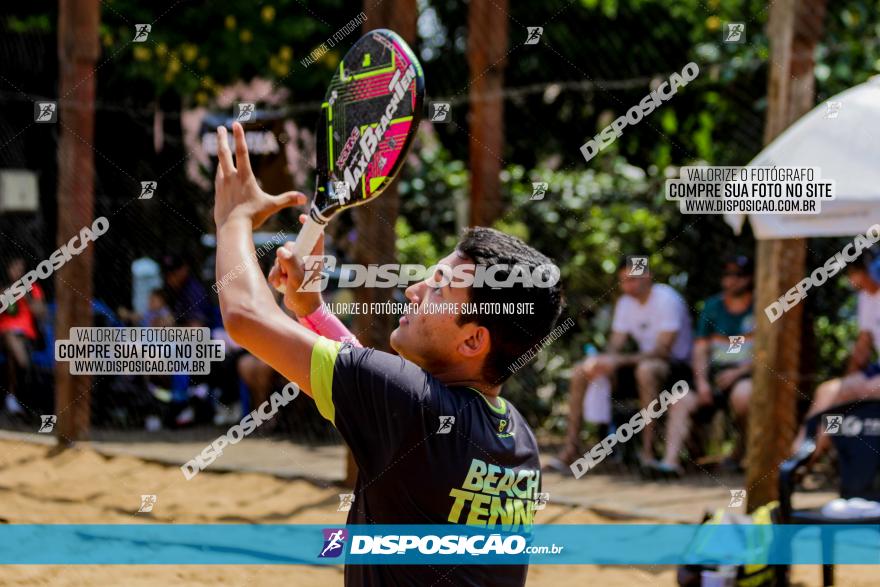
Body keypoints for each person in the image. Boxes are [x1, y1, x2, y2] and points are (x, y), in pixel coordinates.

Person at [213, 123, 562, 586]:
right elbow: (371, 384)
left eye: (438, 288)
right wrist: (312, 310)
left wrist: (235, 219)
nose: (414, 289)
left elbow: (243, 315)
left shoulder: (409, 407)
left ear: (473, 341)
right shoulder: (515, 438)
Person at [553, 258, 692, 471]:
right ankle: (571, 449)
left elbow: (662, 352)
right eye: (624, 281)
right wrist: (601, 362)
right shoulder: (625, 303)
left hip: (677, 369)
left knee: (647, 370)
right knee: (581, 371)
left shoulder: (667, 300)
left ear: (648, 276)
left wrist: (617, 360)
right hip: (640, 365)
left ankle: (647, 453)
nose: (628, 286)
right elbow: (615, 346)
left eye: (633, 280)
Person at [661, 255, 755, 473]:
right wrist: (702, 382)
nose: (731, 280)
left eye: (738, 275)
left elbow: (768, 354)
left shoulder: (762, 306)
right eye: (727, 274)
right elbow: (700, 349)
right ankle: (670, 462)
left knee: (744, 396)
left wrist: (739, 372)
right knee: (680, 399)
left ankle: (742, 453)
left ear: (749, 278)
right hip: (713, 375)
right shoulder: (712, 306)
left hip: (747, 375)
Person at [794, 251, 880, 453]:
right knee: (829, 392)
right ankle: (802, 456)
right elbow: (863, 347)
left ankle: (812, 455)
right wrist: (848, 380)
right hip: (876, 372)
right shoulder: (866, 298)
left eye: (852, 273)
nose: (850, 280)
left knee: (846, 398)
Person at [0, 257, 47, 415]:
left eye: (21, 268)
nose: (17, 271)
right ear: (8, 269)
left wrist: (26, 297)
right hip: (4, 334)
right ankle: (21, 388)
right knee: (10, 336)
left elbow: (42, 313)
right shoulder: (2, 288)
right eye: (14, 267)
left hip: (27, 337)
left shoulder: (33, 288)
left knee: (13, 354)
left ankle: (12, 397)